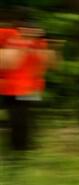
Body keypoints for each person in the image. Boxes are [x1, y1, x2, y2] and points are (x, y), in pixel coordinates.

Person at [0, 19, 56, 152]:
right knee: (17, 119)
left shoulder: (40, 43)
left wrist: (48, 51)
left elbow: (48, 64)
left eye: (36, 33)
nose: (32, 34)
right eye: (28, 31)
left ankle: (25, 147)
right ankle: (18, 149)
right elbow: (7, 62)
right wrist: (18, 48)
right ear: (20, 29)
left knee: (26, 118)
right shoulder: (9, 35)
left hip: (31, 87)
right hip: (11, 87)